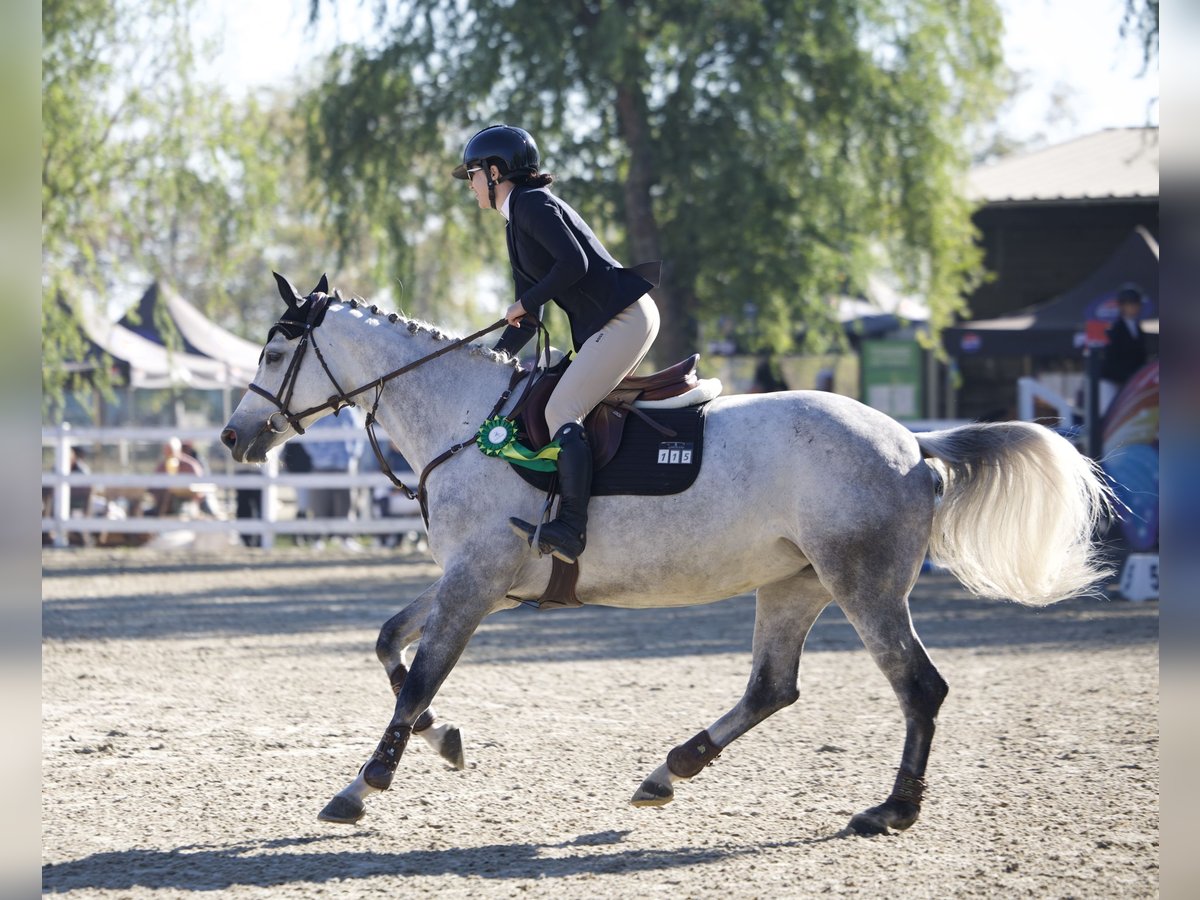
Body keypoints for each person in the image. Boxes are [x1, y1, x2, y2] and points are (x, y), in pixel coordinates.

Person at [454, 124, 661, 564]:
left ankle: (570, 528)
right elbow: (530, 319)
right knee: (550, 401)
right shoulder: (516, 224)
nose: (469, 185)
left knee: (560, 410)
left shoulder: (531, 203)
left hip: (625, 318)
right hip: (614, 321)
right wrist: (494, 357)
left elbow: (575, 262)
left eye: (472, 174)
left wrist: (524, 300)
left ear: (495, 172)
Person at [1099, 286, 1148, 413]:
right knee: (1108, 412)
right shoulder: (1115, 329)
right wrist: (1127, 377)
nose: (1135, 308)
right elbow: (1111, 359)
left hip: (1129, 381)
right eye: (1131, 304)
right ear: (1122, 307)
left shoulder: (1138, 329)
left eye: (1136, 304)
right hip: (1112, 380)